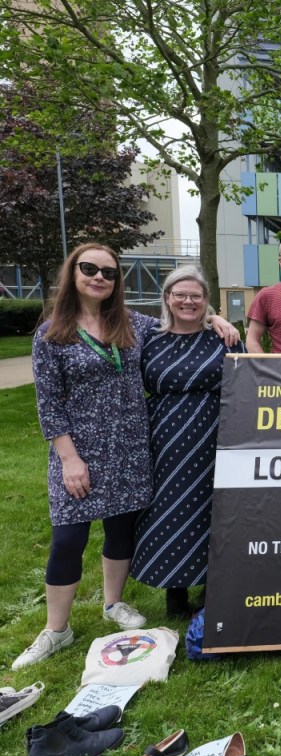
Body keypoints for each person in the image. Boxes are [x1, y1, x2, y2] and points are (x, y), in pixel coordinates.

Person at [15, 244, 156, 668]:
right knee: (68, 539)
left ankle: (113, 604)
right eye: (89, 268)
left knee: (120, 531)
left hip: (129, 449)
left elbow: (179, 319)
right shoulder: (52, 333)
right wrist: (69, 459)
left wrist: (216, 318)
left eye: (109, 273)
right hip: (79, 452)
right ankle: (56, 629)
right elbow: (49, 403)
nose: (99, 277)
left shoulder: (131, 324)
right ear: (73, 273)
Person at [131, 266, 245, 619]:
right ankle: (175, 589)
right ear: (167, 298)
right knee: (170, 507)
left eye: (196, 295)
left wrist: (221, 321)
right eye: (180, 294)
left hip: (218, 430)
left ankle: (214, 585)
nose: (188, 301)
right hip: (165, 435)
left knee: (217, 508)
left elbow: (245, 383)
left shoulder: (224, 338)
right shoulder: (149, 337)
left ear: (206, 301)